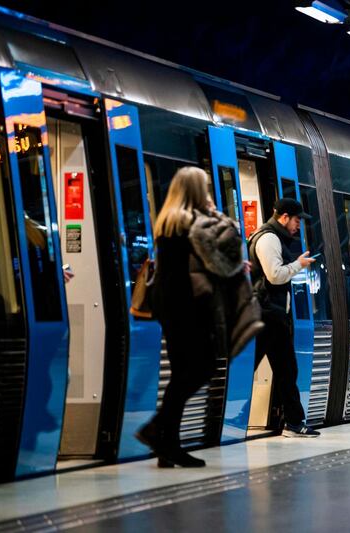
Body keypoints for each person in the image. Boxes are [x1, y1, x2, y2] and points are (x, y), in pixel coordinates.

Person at [137, 166, 263, 467]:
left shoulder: (169, 222)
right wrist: (235, 266)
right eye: (205, 186)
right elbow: (220, 257)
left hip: (170, 306)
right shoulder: (195, 223)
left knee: (181, 374)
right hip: (191, 307)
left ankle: (168, 445)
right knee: (203, 368)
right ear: (197, 190)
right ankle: (158, 431)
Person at [249, 198, 320, 437]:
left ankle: (293, 422)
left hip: (272, 315)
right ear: (284, 217)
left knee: (286, 369)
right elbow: (274, 276)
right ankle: (292, 422)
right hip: (266, 316)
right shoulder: (268, 238)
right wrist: (298, 265)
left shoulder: (274, 237)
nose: (299, 225)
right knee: (275, 368)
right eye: (297, 220)